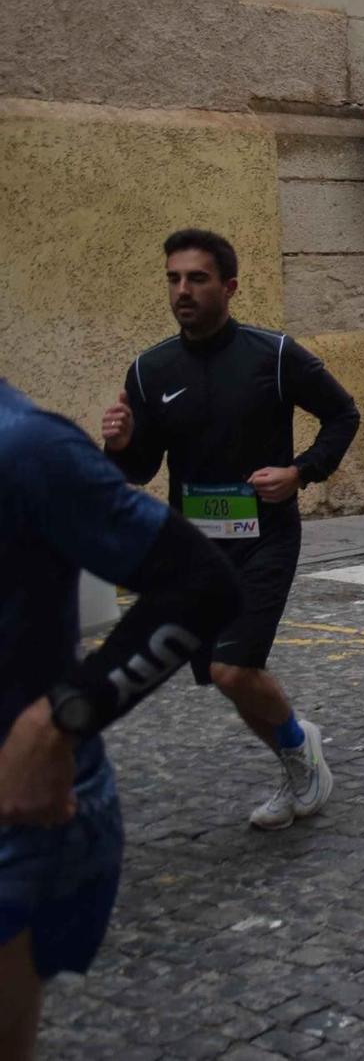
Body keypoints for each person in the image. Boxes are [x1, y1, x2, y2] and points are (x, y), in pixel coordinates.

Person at [1, 382, 246, 1059]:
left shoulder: (24, 445)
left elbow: (200, 582)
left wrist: (58, 722)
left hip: (19, 815)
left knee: (237, 671)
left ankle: (295, 749)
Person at [99, 228, 359, 829]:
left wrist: (301, 471)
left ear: (230, 286)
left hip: (266, 536)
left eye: (197, 278)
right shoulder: (151, 369)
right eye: (173, 279)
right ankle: (298, 756)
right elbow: (140, 470)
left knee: (232, 667)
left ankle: (300, 755)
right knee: (230, 675)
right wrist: (118, 445)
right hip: (196, 550)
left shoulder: (274, 356)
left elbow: (343, 413)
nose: (182, 290)